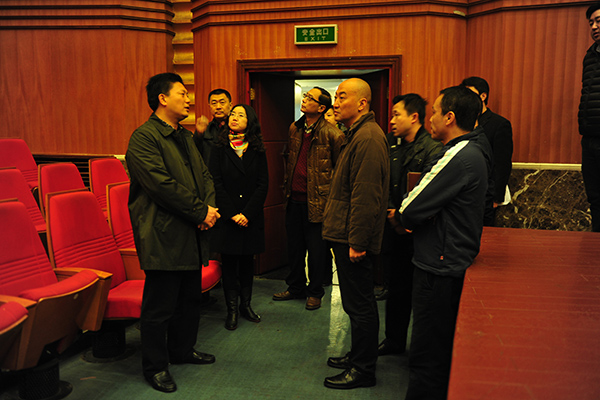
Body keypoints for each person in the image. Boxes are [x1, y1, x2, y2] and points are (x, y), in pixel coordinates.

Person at [390, 86, 492, 400]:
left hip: (439, 266)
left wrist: (407, 216)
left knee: (427, 356)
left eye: (434, 112)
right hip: (449, 259)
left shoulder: (459, 155)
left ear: (449, 117)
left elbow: (409, 209)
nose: (430, 118)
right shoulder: (476, 147)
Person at [126, 72, 220, 393]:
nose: (189, 99)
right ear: (162, 98)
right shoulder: (144, 137)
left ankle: (182, 350)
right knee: (160, 307)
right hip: (163, 234)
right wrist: (200, 211)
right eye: (182, 93)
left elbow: (204, 176)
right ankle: (155, 366)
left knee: (190, 300)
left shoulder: (183, 135)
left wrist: (208, 208)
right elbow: (161, 186)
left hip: (191, 231)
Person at [321, 78, 389, 389]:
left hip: (353, 237)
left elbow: (366, 195)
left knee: (360, 306)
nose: (335, 103)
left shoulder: (368, 137)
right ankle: (359, 357)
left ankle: (363, 370)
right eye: (335, 97)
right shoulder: (357, 134)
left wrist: (358, 241)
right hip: (345, 233)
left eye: (342, 97)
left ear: (362, 103)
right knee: (355, 303)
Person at [378, 94, 442, 358]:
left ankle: (420, 351)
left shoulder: (432, 149)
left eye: (396, 114)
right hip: (394, 229)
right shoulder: (392, 146)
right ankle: (394, 340)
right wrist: (391, 215)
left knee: (421, 295)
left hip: (419, 233)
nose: (391, 120)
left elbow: (427, 192)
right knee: (396, 289)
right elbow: (385, 183)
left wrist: (403, 217)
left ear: (414, 117)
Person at [272, 87, 344, 310]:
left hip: (318, 202)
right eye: (305, 96)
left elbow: (339, 171)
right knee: (294, 248)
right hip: (293, 199)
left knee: (316, 252)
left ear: (321, 108)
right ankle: (295, 287)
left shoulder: (333, 134)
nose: (304, 100)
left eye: (309, 98)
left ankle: (315, 292)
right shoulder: (295, 128)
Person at [209, 104, 269, 330]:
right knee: (229, 264)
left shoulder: (257, 149)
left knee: (246, 264)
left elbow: (263, 184)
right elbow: (215, 182)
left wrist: (247, 214)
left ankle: (246, 306)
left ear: (249, 121)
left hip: (250, 217)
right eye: (233, 114)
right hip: (228, 217)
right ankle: (232, 310)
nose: (234, 117)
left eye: (240, 115)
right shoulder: (219, 147)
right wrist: (233, 213)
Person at [461, 76, 512, 226]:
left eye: (470, 93)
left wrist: (496, 197)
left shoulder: (499, 124)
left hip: (487, 194)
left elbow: (502, 163)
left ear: (483, 96)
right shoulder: (462, 122)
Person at [579, 3, 600, 232]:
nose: (594, 26)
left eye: (599, 21)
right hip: (589, 137)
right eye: (591, 22)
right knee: (594, 197)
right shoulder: (590, 56)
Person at [194, 88, 232, 166]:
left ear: (230, 105)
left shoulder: (236, 127)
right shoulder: (205, 129)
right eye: (214, 103)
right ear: (209, 107)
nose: (218, 107)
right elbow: (195, 153)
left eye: (222, 102)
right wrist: (199, 134)